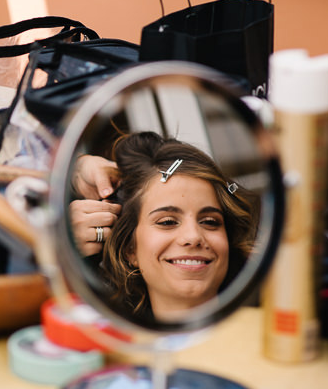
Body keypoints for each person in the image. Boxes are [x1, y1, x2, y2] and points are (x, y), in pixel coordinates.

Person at [89, 132, 256, 321]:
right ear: (130, 249)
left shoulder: (269, 331)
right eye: (167, 222)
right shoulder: (108, 343)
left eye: (210, 222)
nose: (193, 237)